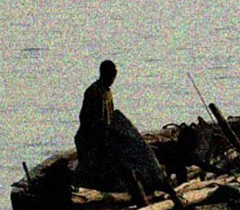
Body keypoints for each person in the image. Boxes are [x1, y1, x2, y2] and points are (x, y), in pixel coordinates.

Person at [72, 60, 174, 200]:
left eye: (114, 76)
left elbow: (110, 117)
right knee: (100, 167)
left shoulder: (107, 92)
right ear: (104, 74)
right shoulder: (94, 91)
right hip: (91, 138)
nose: (113, 79)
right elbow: (88, 119)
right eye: (111, 76)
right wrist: (101, 137)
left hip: (105, 136)